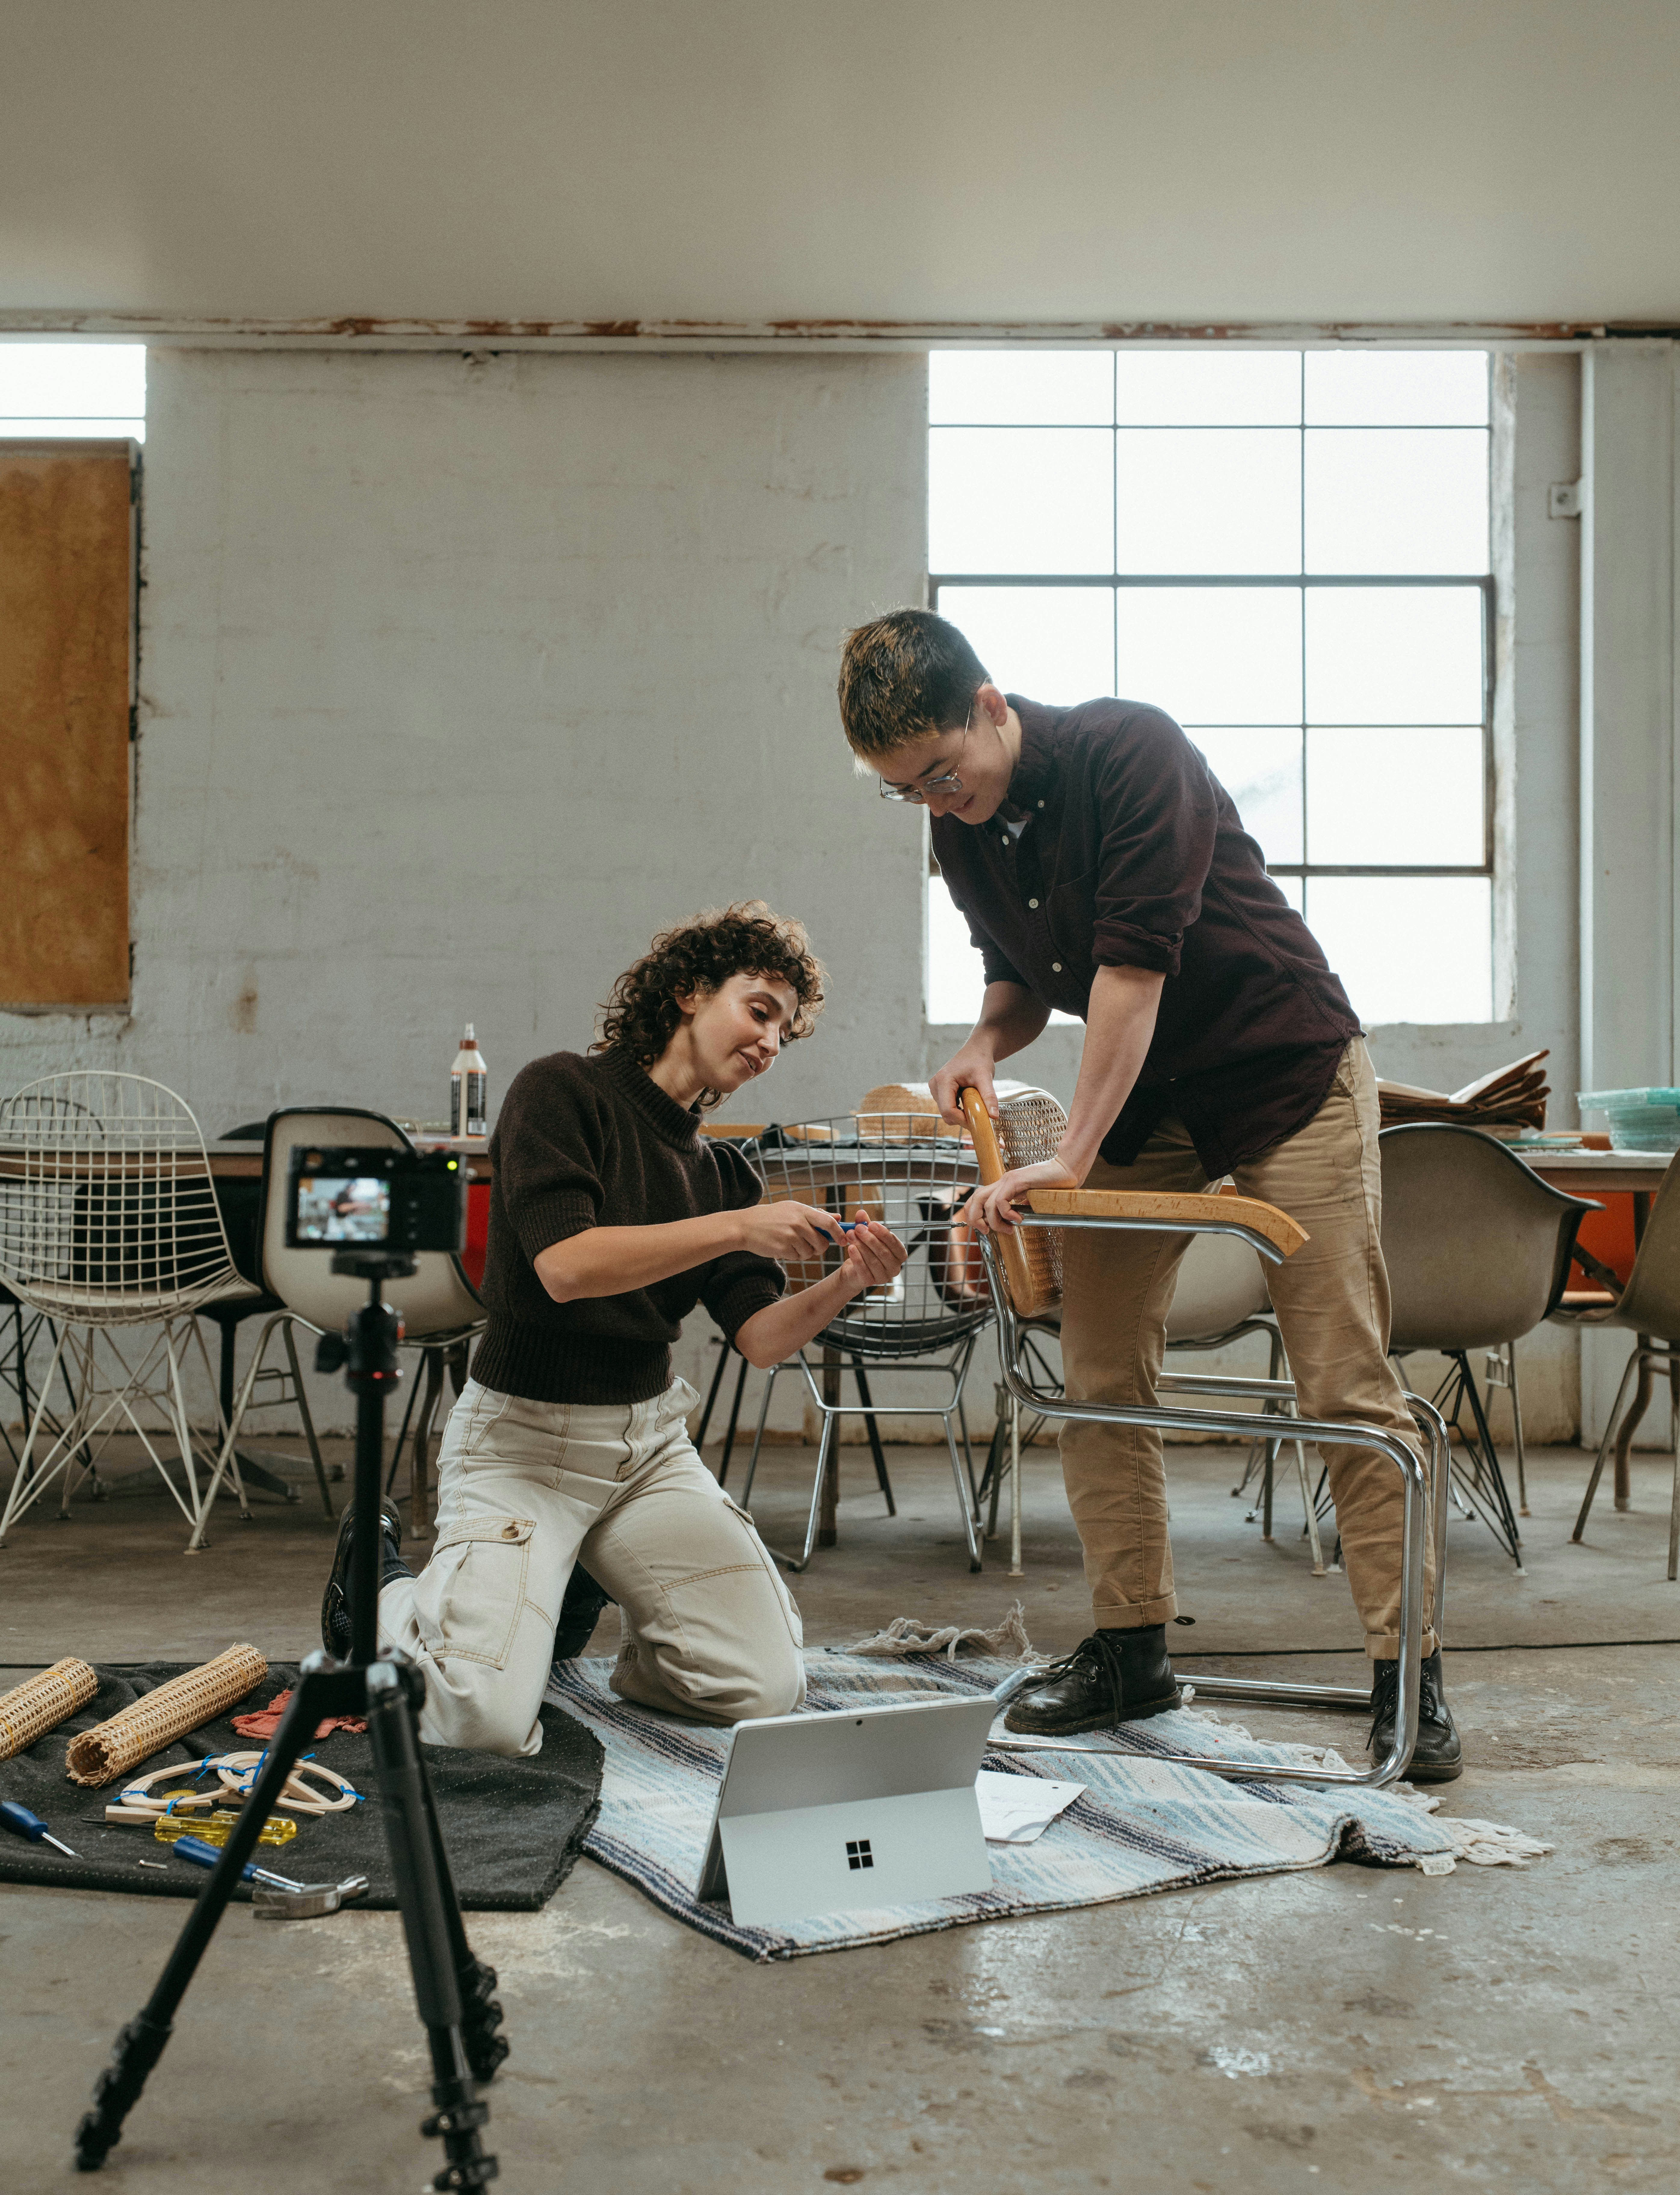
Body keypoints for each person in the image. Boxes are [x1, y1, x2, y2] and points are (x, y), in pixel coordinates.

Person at [835, 610, 1458, 1781]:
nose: (932, 800)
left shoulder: (1134, 756)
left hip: (1287, 1071)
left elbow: (1130, 973)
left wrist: (1068, 1156)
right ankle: (1132, 1650)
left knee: (1341, 1377)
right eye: (902, 790)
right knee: (1100, 1369)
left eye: (939, 771)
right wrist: (981, 1039)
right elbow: (1024, 981)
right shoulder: (963, 833)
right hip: (1148, 1100)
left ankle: (1407, 1678)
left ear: (990, 707)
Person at [320, 902, 907, 1757]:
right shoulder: (560, 1091)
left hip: (644, 1452)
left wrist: (849, 1282)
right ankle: (377, 1592)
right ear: (686, 992)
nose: (771, 1042)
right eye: (759, 1010)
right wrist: (739, 1229)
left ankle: (570, 1589)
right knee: (477, 1722)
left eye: (785, 1030)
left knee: (760, 1688)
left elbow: (763, 1340)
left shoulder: (722, 1173)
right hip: (520, 1445)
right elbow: (566, 1266)